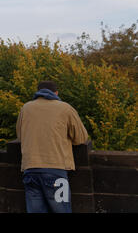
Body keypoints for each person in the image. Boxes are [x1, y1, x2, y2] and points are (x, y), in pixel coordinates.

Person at [16, 81, 89, 213]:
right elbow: (81, 138)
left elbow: (20, 136)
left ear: (38, 93)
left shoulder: (25, 108)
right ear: (56, 93)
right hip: (56, 170)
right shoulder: (65, 108)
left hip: (30, 169)